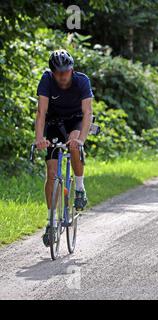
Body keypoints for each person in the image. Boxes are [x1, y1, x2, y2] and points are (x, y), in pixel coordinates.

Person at [35, 49, 93, 246]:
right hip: (54, 123)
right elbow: (41, 112)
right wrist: (39, 138)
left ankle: (79, 188)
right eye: (58, 72)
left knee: (74, 144)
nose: (62, 76)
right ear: (52, 72)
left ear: (72, 69)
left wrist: (82, 139)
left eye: (66, 71)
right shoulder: (46, 80)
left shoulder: (82, 81)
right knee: (51, 173)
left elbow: (87, 113)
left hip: (76, 121)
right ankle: (51, 221)